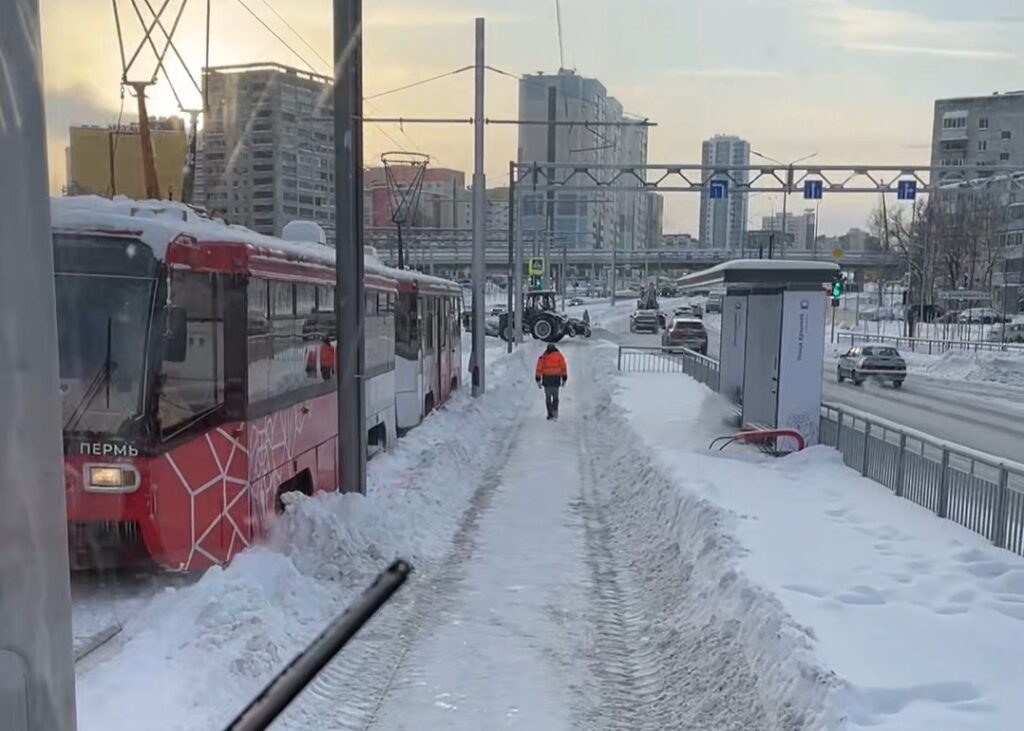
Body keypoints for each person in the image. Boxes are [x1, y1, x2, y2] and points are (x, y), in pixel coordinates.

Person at [535, 344, 568, 420]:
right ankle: (555, 411)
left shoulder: (543, 357)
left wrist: (538, 379)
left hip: (547, 379)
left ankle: (550, 414)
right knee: (555, 396)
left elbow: (539, 368)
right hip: (556, 378)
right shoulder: (559, 356)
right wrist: (564, 377)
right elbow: (563, 367)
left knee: (548, 397)